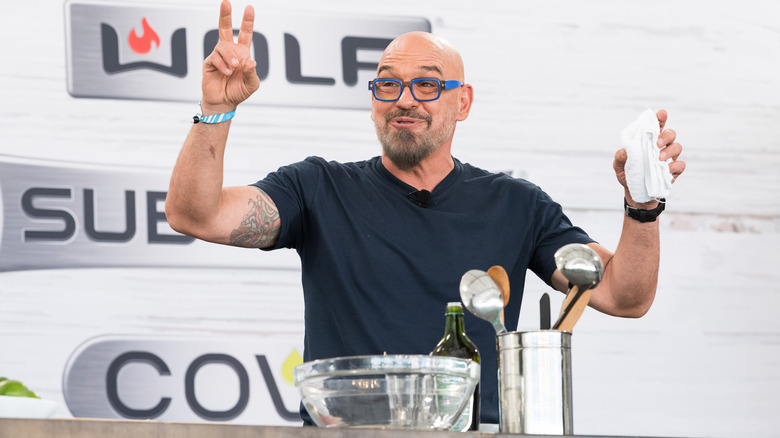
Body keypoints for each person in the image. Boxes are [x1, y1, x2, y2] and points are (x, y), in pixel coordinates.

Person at [165, 0, 686, 427]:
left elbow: (624, 295)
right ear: (373, 101)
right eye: (388, 84)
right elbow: (196, 215)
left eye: (428, 84)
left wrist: (642, 205)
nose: (405, 99)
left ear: (463, 102)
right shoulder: (319, 187)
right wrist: (217, 108)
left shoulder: (517, 205)